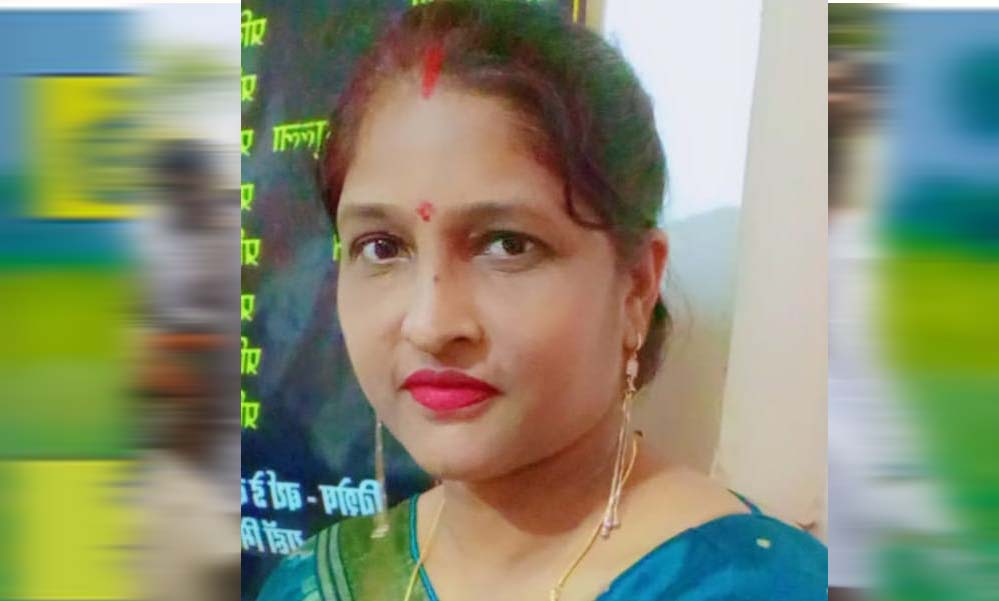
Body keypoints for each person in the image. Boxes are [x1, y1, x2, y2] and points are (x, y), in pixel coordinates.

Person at [258, 2, 825, 599]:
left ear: (636, 285)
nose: (430, 324)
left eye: (507, 245)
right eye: (382, 247)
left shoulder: (758, 586)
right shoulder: (311, 583)